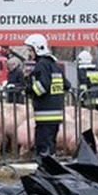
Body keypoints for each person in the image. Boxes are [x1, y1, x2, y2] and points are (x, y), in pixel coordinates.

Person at [24, 33, 70, 161]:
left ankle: (44, 173)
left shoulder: (41, 65)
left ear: (37, 49)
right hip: (56, 114)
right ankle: (51, 171)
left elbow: (42, 87)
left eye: (30, 50)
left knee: (43, 147)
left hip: (45, 114)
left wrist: (28, 90)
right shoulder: (55, 65)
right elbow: (67, 85)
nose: (29, 53)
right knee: (51, 147)